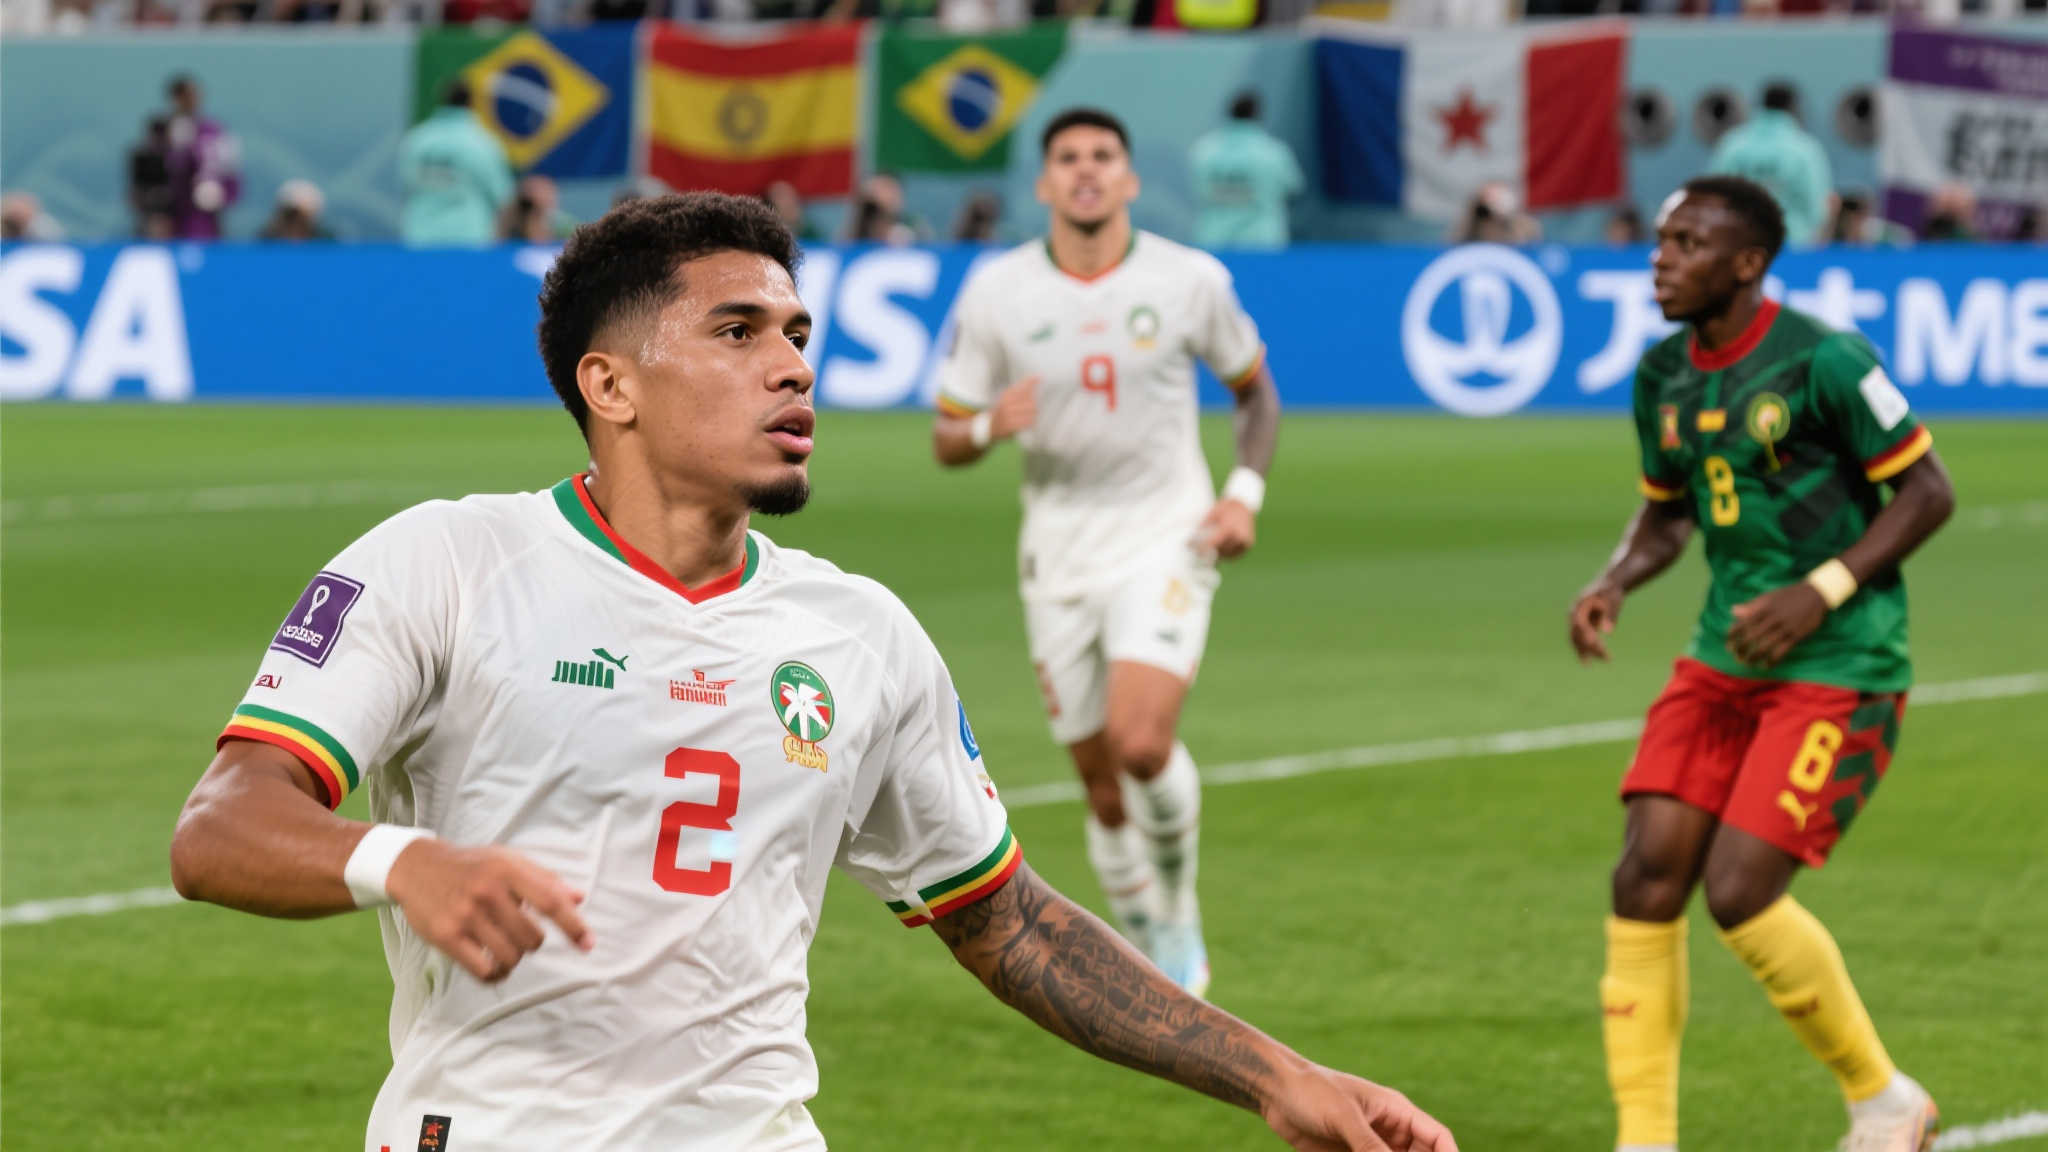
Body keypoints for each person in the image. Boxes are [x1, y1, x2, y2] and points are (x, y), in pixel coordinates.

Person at [169, 192, 1455, 1152]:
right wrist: (404, 861)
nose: (791, 366)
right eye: (736, 332)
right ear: (609, 385)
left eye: (795, 332)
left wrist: (1278, 1077)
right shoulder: (445, 564)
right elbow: (220, 827)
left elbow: (1004, 919)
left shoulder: (858, 633)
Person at [1568, 175, 1953, 1152]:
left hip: (1842, 661)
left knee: (1738, 892)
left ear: (1747, 265)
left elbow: (1927, 492)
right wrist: (1614, 579)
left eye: (1686, 244)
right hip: (1723, 656)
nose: (1661, 259)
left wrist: (1819, 590)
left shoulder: (1825, 359)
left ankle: (1884, 1100)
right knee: (1644, 879)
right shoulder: (1662, 373)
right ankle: (1644, 1141)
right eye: (1662, 240)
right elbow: (1667, 512)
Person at [930, 108, 1281, 997]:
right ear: (1045, 183)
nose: (1085, 171)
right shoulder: (998, 292)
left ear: (1129, 179)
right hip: (1057, 551)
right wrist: (987, 425)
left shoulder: (1189, 279)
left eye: (1102, 157)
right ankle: (1147, 942)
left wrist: (1242, 494)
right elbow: (946, 435)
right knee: (1100, 784)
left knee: (1141, 743)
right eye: (1068, 158)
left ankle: (1179, 910)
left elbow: (1255, 392)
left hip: (1167, 531)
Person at [1708, 81, 1834, 248]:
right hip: (1791, 244)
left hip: (1739, 243)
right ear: (1794, 108)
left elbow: (1714, 197)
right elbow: (1816, 206)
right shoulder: (1805, 149)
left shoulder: (1732, 145)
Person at [399, 79, 514, 249]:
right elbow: (502, 195)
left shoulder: (417, 139)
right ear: (471, 103)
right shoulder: (482, 142)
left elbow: (406, 183)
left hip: (420, 236)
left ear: (442, 101)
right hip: (469, 238)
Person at [1189, 90, 1303, 251]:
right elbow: (1293, 188)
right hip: (1262, 242)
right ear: (1257, 114)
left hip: (1214, 241)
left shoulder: (1204, 150)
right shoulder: (1273, 152)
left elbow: (1197, 189)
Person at [163, 74, 241, 240]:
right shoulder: (165, 129)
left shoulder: (212, 129)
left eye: (194, 95)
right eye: (185, 96)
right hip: (175, 212)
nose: (191, 101)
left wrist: (225, 193)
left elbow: (228, 167)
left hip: (207, 214)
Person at [258, 179, 335, 242]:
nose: (294, 226)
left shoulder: (327, 245)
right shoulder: (264, 243)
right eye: (290, 217)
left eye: (301, 221)